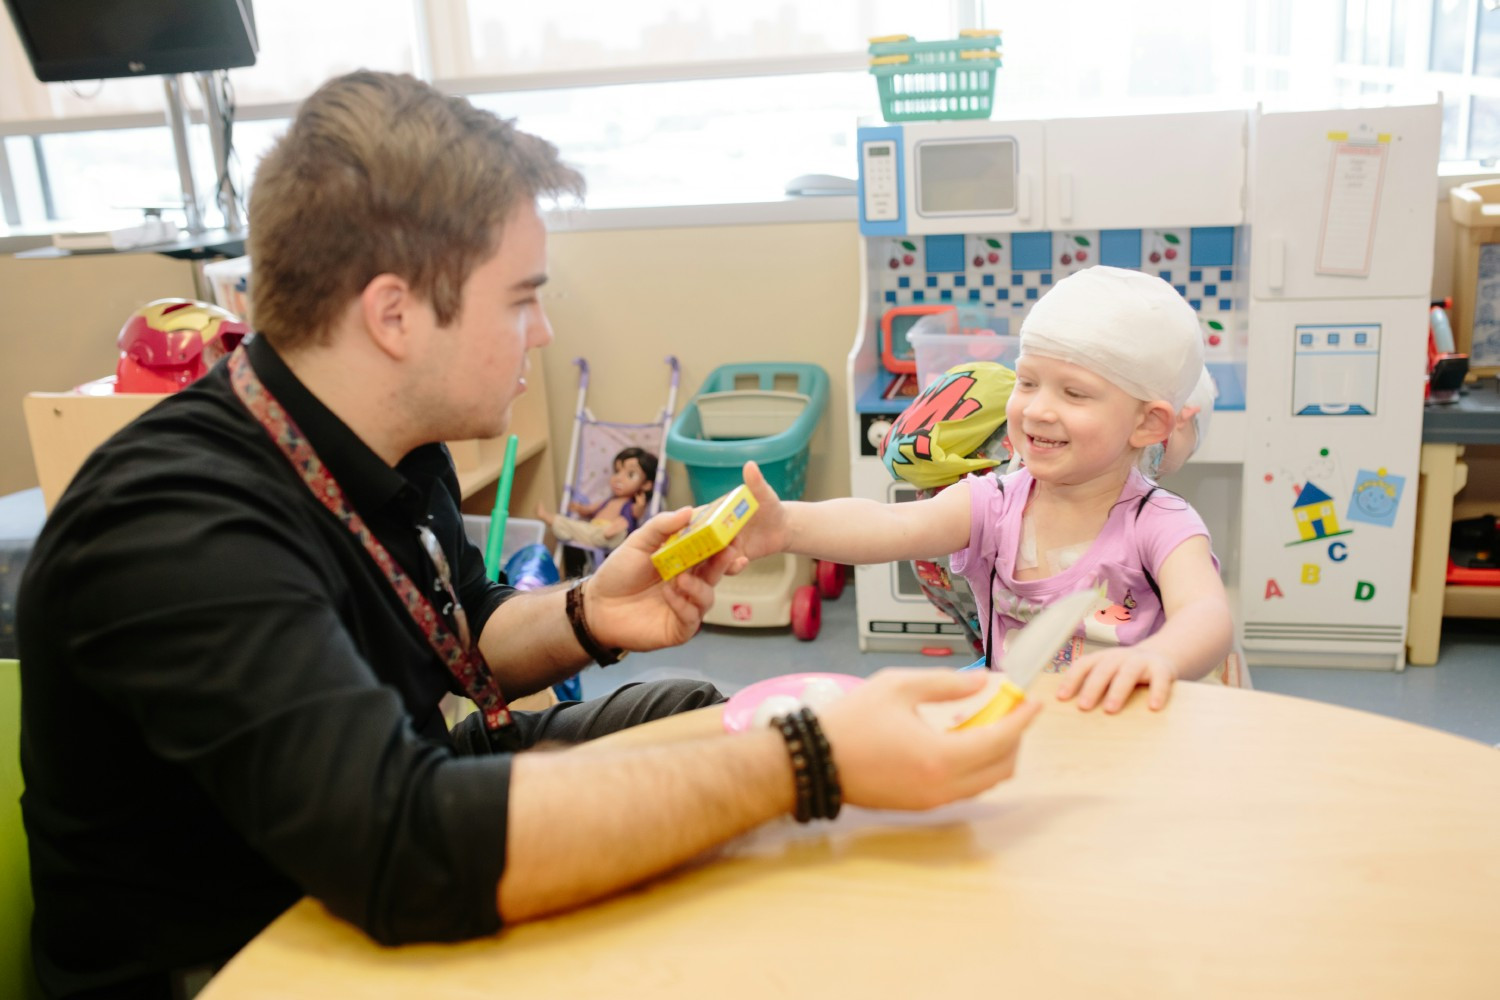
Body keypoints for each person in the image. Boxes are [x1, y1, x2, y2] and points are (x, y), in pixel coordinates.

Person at [16, 71, 1040, 1000]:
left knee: (681, 714)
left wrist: (594, 611)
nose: (543, 333)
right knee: (756, 767)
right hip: (233, 952)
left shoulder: (382, 441)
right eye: (522, 301)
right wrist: (808, 758)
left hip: (362, 832)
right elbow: (401, 841)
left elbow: (459, 628)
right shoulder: (178, 525)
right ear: (394, 314)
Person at [734, 266, 1236, 715]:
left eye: (1074, 392)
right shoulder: (995, 503)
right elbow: (891, 524)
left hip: (1127, 737)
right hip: (1020, 732)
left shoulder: (1161, 523)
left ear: (1149, 423)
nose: (1037, 409)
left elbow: (1206, 615)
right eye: (1028, 382)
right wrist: (788, 526)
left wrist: (1157, 658)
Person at [537, 446, 656, 549]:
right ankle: (559, 524)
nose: (619, 478)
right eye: (617, 471)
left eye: (630, 474)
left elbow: (636, 514)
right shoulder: (608, 501)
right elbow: (588, 510)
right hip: (594, 531)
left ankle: (609, 532)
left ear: (646, 485)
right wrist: (579, 508)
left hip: (613, 535)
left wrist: (640, 506)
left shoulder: (630, 504)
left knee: (622, 527)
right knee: (577, 526)